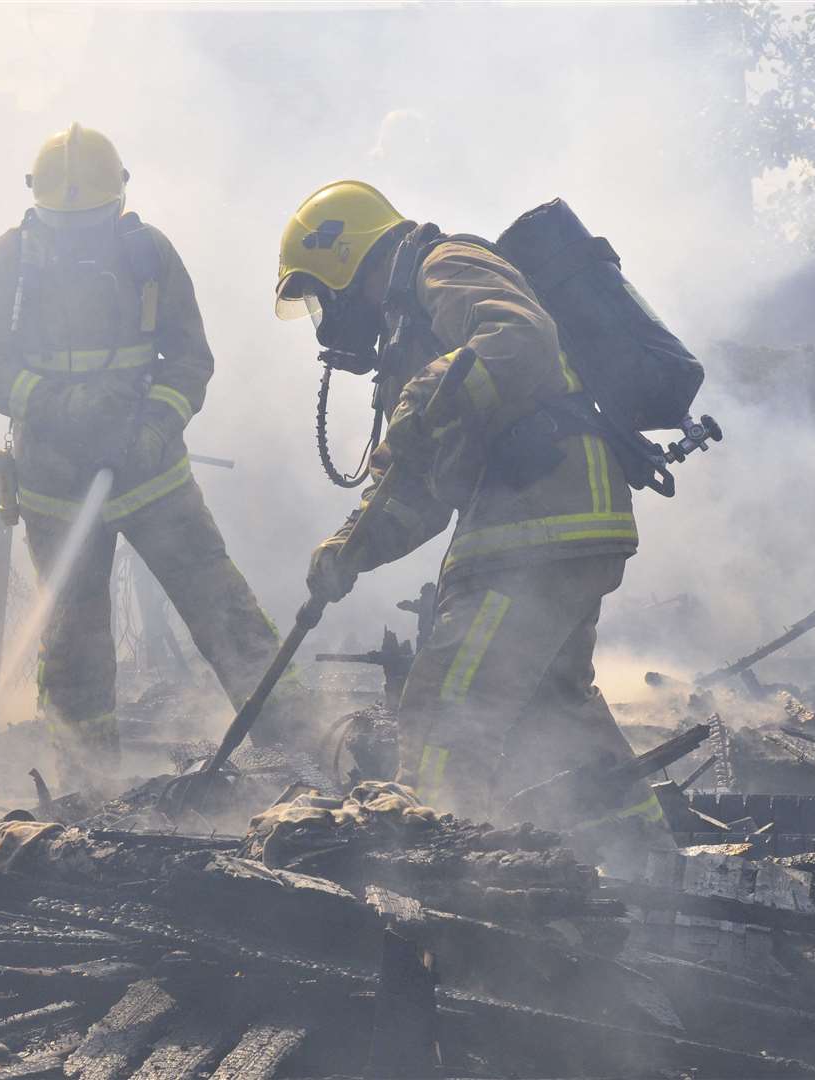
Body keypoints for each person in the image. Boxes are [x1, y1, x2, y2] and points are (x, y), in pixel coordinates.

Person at [274, 180, 645, 822]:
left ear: (342, 260)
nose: (324, 318)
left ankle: (446, 877)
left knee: (448, 712)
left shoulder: (444, 265)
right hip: (552, 527)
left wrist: (431, 390)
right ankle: (656, 866)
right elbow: (420, 488)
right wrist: (350, 549)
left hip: (534, 526)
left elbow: (523, 335)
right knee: (557, 715)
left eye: (318, 294)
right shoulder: (406, 336)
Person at [0, 124, 298, 786]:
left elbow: (190, 357)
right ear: (36, 206)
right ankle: (90, 788)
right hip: (56, 488)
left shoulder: (149, 255)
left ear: (118, 203)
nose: (76, 236)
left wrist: (158, 426)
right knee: (74, 648)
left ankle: (301, 751)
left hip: (154, 479)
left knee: (223, 610)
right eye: (65, 224)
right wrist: (57, 406)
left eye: (89, 224)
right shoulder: (10, 261)